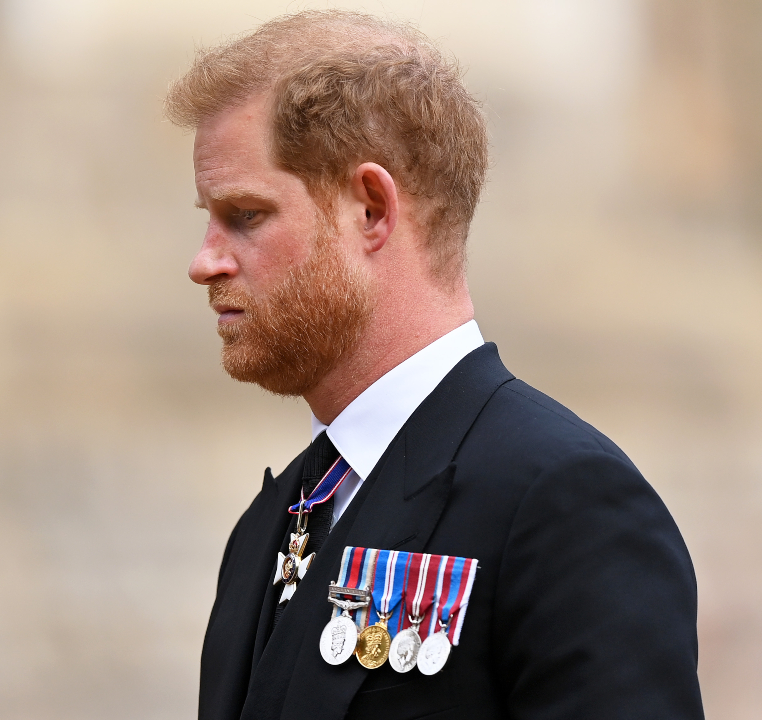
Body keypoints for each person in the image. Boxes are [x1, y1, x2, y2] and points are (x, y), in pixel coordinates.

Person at [164, 11, 702, 720]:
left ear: (371, 210)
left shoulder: (563, 505)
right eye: (209, 218)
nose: (205, 262)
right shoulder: (273, 521)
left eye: (245, 215)